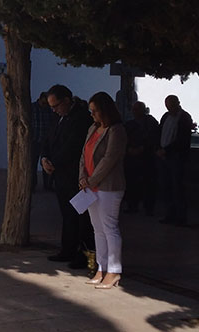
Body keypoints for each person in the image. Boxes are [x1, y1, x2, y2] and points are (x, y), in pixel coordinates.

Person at [41, 84, 94, 269]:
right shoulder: (58, 118)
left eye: (56, 106)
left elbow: (73, 146)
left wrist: (54, 161)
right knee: (67, 214)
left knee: (81, 216)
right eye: (51, 107)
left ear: (66, 101)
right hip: (60, 175)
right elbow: (48, 139)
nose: (54, 110)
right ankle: (67, 249)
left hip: (74, 175)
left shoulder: (81, 118)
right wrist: (45, 158)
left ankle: (84, 253)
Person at [79, 92, 127, 289]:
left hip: (108, 187)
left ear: (104, 110)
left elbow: (109, 159)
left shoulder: (116, 131)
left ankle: (114, 270)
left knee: (109, 227)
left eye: (95, 111)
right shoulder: (93, 128)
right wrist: (83, 178)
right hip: (91, 187)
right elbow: (84, 154)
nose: (92, 115)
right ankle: (101, 267)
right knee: (97, 229)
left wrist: (92, 180)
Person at [156, 95, 193, 225]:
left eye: (171, 105)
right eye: (167, 105)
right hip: (164, 156)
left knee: (177, 187)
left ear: (177, 103)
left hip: (176, 157)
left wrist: (166, 150)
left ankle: (180, 217)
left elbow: (182, 139)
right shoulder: (166, 117)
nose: (169, 108)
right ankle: (170, 215)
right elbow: (160, 132)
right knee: (166, 186)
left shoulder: (184, 118)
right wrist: (159, 149)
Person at [123, 101, 160, 214]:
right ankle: (132, 205)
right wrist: (129, 149)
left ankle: (148, 207)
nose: (135, 112)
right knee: (132, 182)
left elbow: (153, 138)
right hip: (132, 158)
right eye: (134, 110)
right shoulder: (130, 125)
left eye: (137, 109)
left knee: (148, 183)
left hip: (146, 157)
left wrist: (142, 148)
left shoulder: (151, 122)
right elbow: (124, 138)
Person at [31, 91, 58, 191]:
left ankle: (47, 185)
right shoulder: (32, 108)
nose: (45, 105)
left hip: (46, 141)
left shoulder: (49, 109)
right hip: (35, 140)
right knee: (32, 165)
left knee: (46, 163)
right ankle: (32, 185)